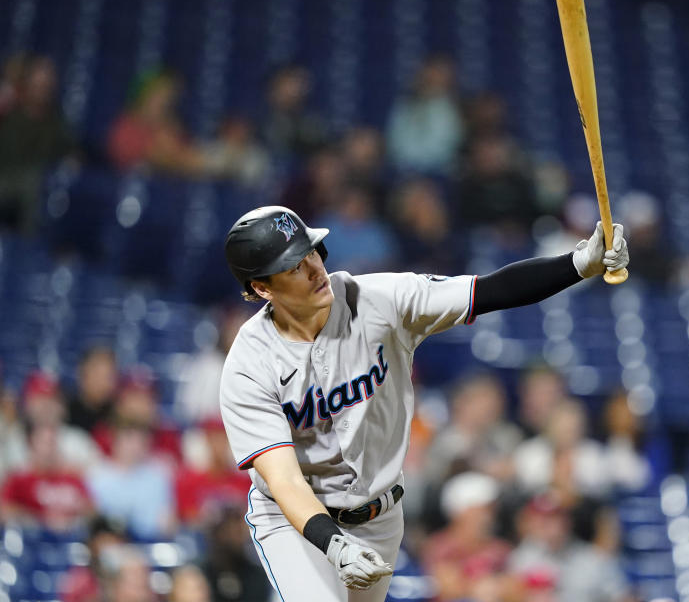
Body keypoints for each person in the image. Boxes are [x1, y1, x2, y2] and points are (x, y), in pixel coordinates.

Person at [219, 205, 629, 601]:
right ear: (261, 287)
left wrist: (578, 265)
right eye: (294, 267)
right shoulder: (249, 365)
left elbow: (487, 291)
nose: (314, 270)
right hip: (296, 523)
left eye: (311, 253)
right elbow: (285, 480)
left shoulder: (380, 298)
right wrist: (334, 545)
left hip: (380, 515)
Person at [0, 54, 75, 233]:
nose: (42, 86)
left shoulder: (55, 119)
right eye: (38, 81)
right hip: (4, 175)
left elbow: (71, 149)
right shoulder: (10, 111)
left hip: (33, 181)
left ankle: (28, 248)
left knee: (34, 185)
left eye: (47, 82)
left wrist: (73, 159)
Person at [420, 472, 513, 602]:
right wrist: (476, 588)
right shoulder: (439, 547)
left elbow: (515, 588)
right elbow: (445, 587)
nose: (490, 515)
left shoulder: (499, 548)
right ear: (462, 511)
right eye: (484, 508)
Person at [0, 420, 93, 532]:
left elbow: (92, 509)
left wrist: (76, 516)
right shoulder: (20, 478)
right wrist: (39, 519)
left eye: (53, 442)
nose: (50, 449)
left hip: (69, 537)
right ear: (31, 446)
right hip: (32, 539)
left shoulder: (72, 477)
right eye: (45, 443)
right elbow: (4, 509)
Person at [385, 55, 463, 175]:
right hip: (404, 171)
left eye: (441, 73)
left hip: (441, 172)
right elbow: (396, 142)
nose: (435, 78)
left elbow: (448, 147)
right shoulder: (404, 105)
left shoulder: (457, 109)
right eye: (432, 72)